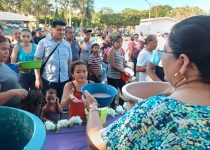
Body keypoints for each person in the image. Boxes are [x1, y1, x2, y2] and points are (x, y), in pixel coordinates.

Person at [84, 15, 210, 149]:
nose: (161, 58)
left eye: (164, 52)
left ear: (183, 61)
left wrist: (92, 107)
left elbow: (98, 142)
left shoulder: (158, 110)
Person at [34, 20, 72, 99]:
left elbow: (69, 61)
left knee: (62, 102)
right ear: (52, 29)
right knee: (49, 103)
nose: (61, 32)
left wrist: (70, 75)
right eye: (59, 29)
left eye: (63, 30)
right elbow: (37, 61)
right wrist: (37, 78)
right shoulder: (43, 42)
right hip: (49, 80)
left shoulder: (67, 44)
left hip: (64, 80)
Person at [0, 34, 28, 107]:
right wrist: (13, 92)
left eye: (8, 49)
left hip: (18, 107)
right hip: (6, 113)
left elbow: (2, 73)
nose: (7, 52)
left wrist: (16, 67)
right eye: (3, 49)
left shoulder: (0, 62)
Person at [107, 34, 130, 108]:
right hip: (112, 76)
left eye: (121, 42)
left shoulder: (120, 50)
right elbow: (112, 65)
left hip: (121, 75)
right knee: (113, 93)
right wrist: (123, 71)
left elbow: (122, 61)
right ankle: (112, 108)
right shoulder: (111, 50)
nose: (120, 44)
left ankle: (120, 107)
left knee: (123, 91)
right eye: (117, 42)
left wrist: (127, 66)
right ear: (113, 42)